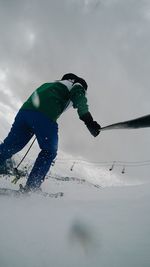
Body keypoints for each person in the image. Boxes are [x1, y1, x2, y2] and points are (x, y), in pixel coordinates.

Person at [0, 73, 101, 192]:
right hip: (45, 116)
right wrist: (90, 122)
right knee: (49, 151)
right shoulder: (77, 84)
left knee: (10, 146)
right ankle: (32, 188)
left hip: (25, 113)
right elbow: (80, 100)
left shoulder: (51, 84)